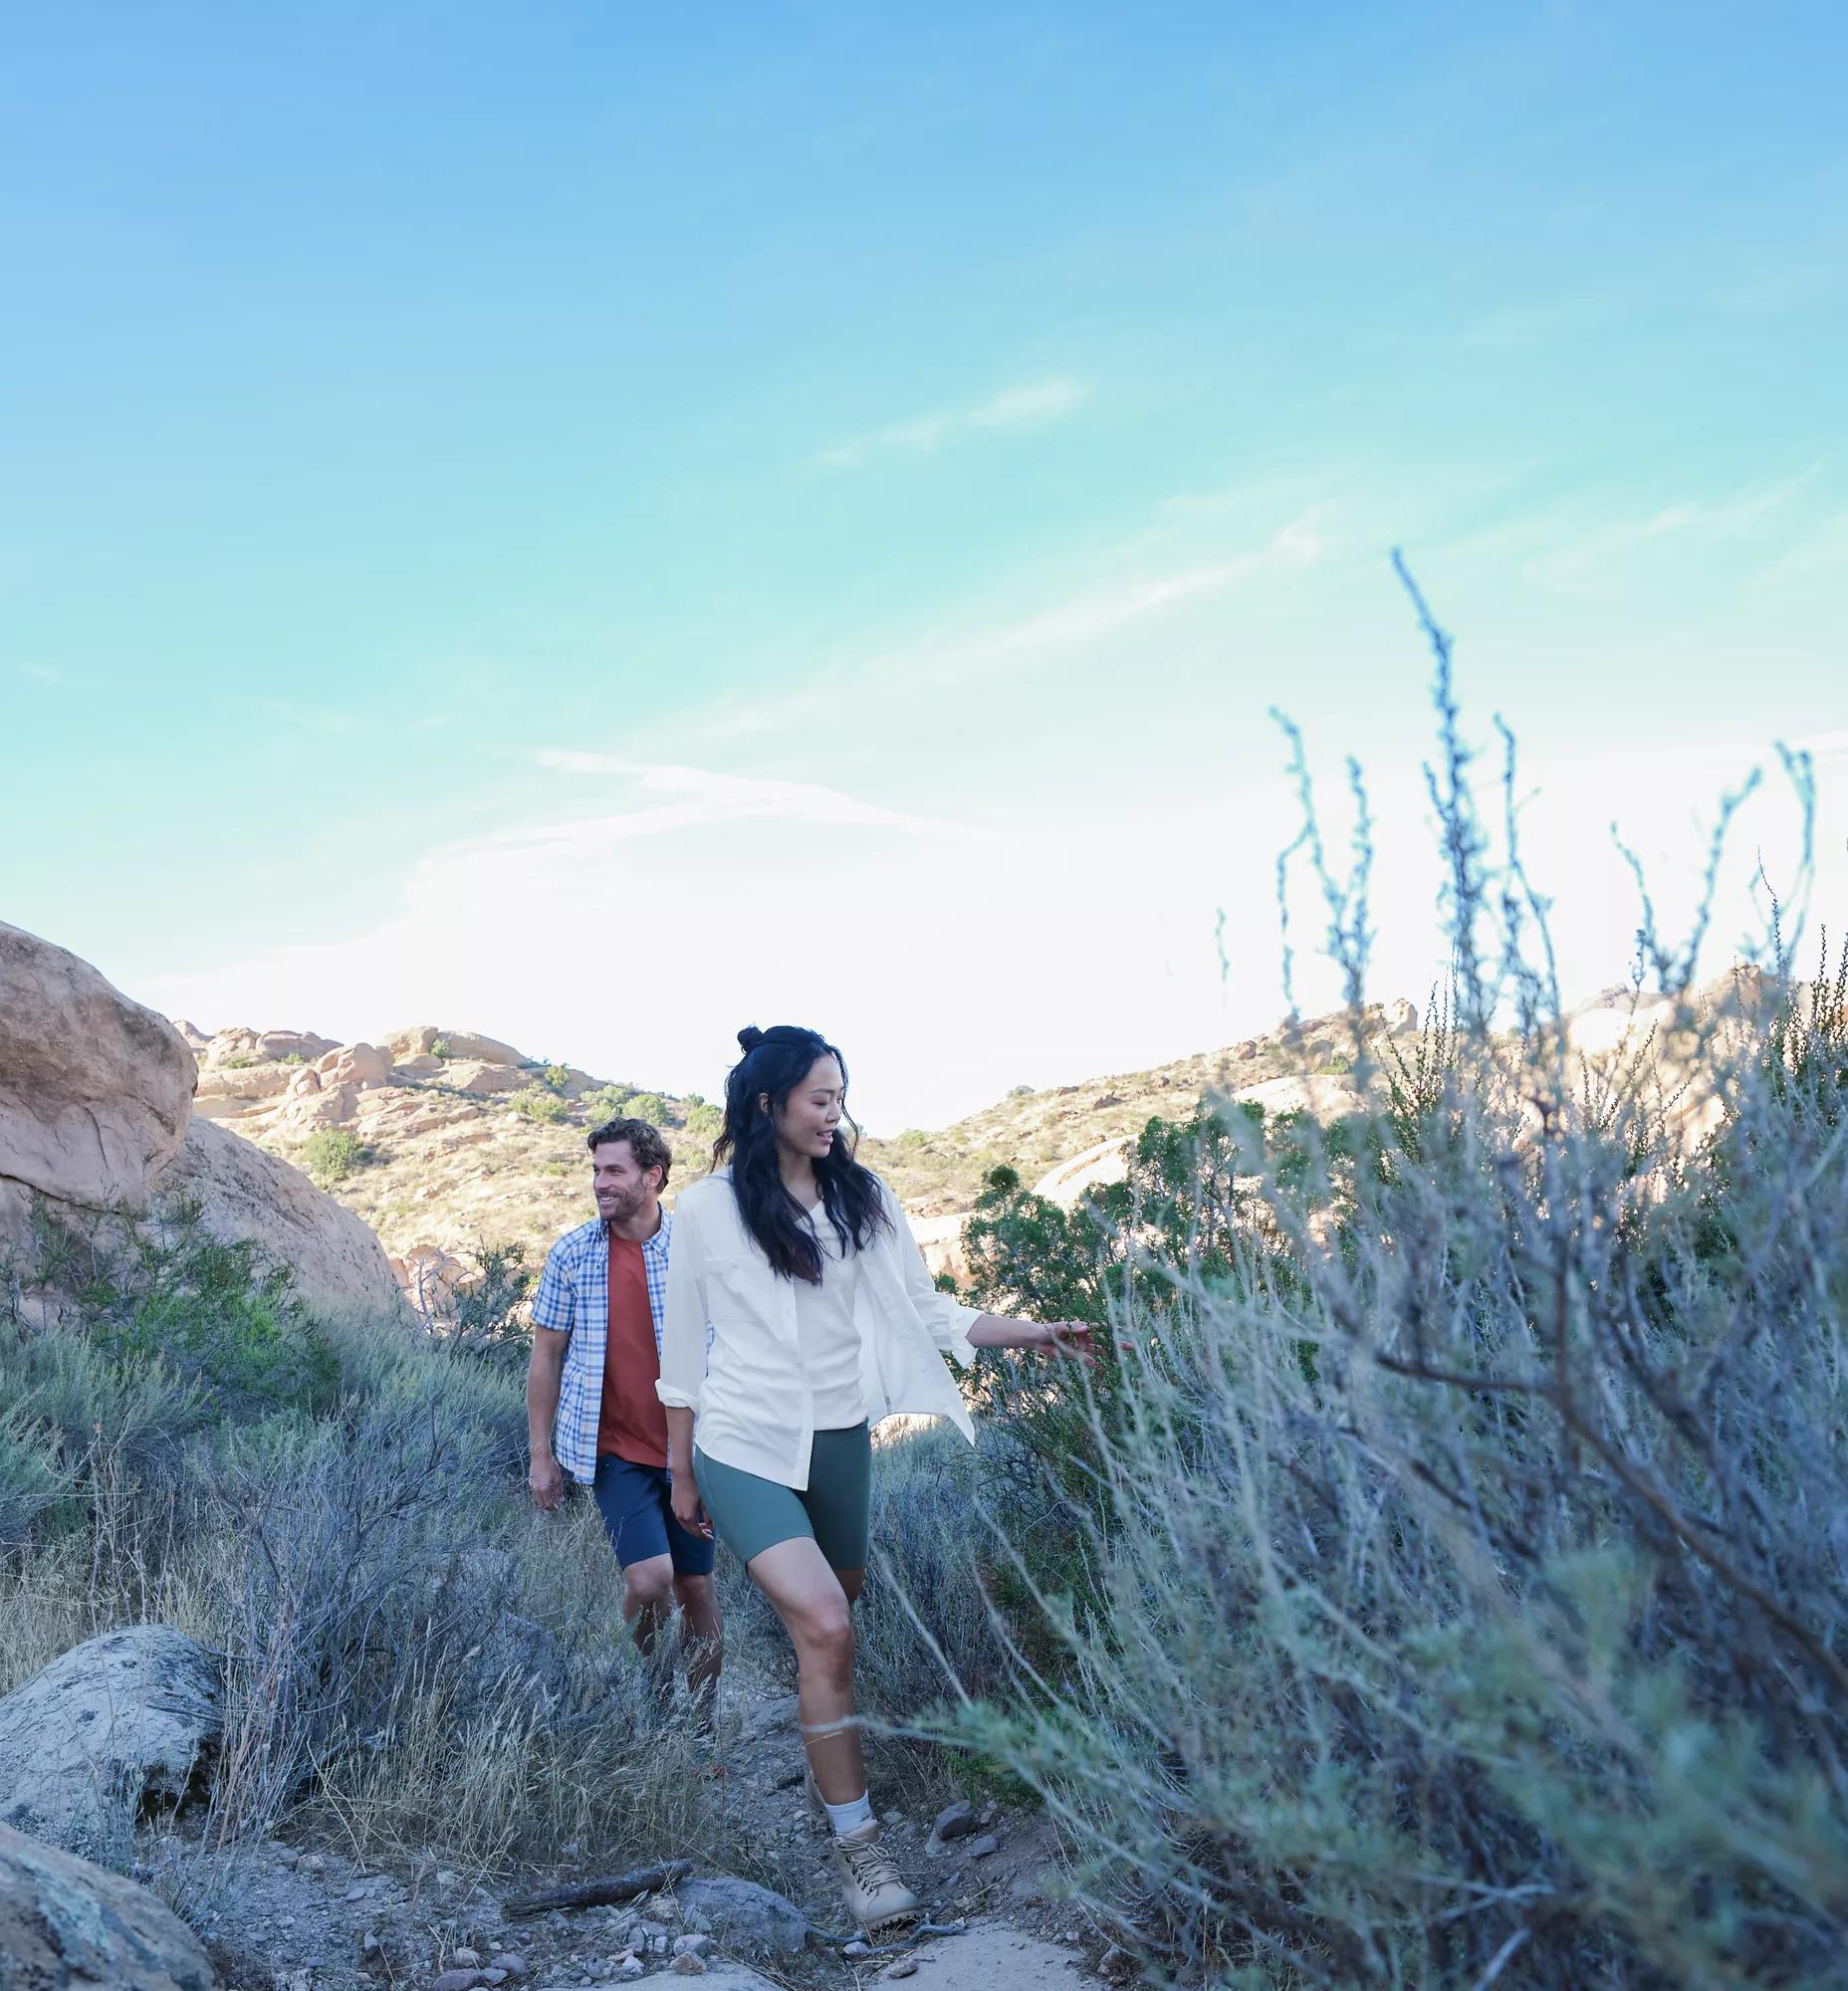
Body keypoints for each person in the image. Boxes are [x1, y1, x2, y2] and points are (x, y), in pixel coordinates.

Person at [656, 1025, 1090, 1935]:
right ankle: (861, 1846)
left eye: (840, 1098)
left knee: (836, 1622)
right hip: (740, 1439)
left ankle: (819, 1732)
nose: (835, 1115)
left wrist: (1038, 1333)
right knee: (825, 1621)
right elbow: (682, 1350)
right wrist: (678, 1466)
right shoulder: (699, 1211)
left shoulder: (866, 1198)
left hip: (839, 1438)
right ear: (769, 1104)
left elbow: (930, 1308)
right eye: (820, 1098)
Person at [527, 1115, 721, 1707]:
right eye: (596, 1171)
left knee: (695, 1585)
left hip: (693, 1448)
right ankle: (657, 1689)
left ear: (652, 1176)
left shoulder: (696, 1248)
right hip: (613, 1450)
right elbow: (546, 1358)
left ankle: (704, 1724)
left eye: (615, 1171)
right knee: (648, 1577)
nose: (600, 1183)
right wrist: (541, 1456)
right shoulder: (572, 1254)